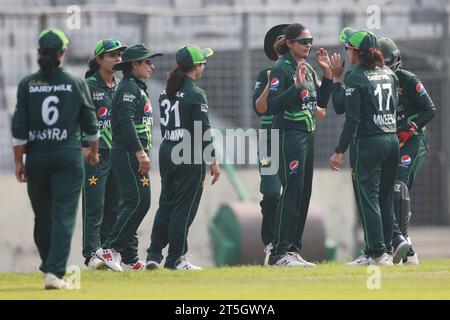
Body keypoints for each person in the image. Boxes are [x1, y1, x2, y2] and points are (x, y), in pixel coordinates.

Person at [11, 29, 99, 289]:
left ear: (38, 52)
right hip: (67, 156)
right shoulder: (74, 81)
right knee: (63, 215)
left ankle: (49, 265)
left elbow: (19, 129)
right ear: (63, 53)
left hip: (36, 156)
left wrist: (19, 162)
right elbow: (90, 122)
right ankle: (54, 272)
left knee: (42, 216)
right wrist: (93, 151)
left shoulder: (27, 84)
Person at [146, 45, 220, 270]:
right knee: (184, 207)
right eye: (203, 63)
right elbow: (203, 130)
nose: (204, 67)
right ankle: (176, 258)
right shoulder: (196, 93)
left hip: (168, 150)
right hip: (187, 153)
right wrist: (213, 161)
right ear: (196, 67)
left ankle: (153, 254)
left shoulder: (165, 90)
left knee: (166, 203)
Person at [329, 28, 399, 266]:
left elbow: (350, 117)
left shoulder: (356, 76)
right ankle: (381, 251)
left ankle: (378, 254)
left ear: (355, 52)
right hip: (391, 141)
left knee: (368, 199)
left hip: (369, 142)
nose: (345, 52)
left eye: (347, 48)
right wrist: (338, 80)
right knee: (385, 199)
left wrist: (340, 150)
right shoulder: (388, 73)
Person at [266, 23, 333, 267]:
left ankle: (292, 250)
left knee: (304, 193)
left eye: (310, 40)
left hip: (308, 135)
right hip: (289, 135)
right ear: (290, 43)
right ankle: (279, 252)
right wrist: (294, 87)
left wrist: (328, 75)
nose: (308, 45)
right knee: (292, 191)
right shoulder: (281, 69)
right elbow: (271, 106)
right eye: (304, 41)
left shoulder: (308, 69)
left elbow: (322, 104)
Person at [95, 44, 162, 272]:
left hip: (131, 153)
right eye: (147, 62)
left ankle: (127, 255)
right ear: (135, 65)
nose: (152, 66)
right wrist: (140, 152)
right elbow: (125, 121)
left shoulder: (135, 87)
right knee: (138, 201)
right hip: (126, 152)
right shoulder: (128, 89)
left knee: (136, 202)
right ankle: (109, 248)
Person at [379, 37, 437, 265]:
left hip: (414, 140)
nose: (384, 66)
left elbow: (430, 110)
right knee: (385, 188)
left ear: (396, 59)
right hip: (392, 140)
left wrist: (411, 128)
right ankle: (403, 247)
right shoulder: (377, 83)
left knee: (398, 185)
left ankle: (403, 245)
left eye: (387, 61)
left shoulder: (408, 79)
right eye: (380, 62)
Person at [81, 39, 126, 270]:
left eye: (119, 55)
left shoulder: (121, 86)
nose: (118, 59)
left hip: (117, 154)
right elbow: (76, 117)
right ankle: (91, 253)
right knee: (94, 205)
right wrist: (84, 146)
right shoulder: (88, 85)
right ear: (99, 59)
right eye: (112, 55)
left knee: (114, 207)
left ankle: (108, 252)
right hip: (96, 156)